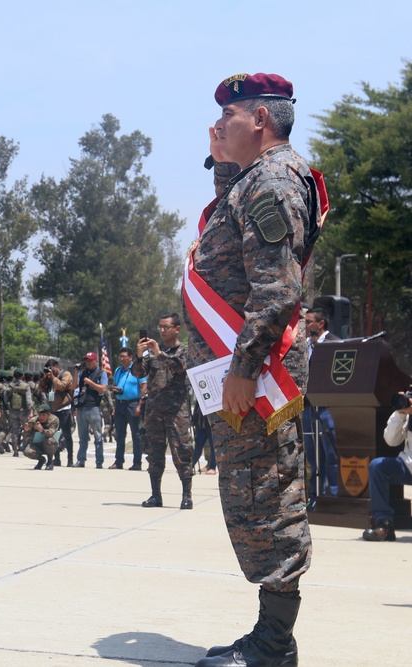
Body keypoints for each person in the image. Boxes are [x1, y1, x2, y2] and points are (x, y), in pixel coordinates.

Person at [186, 73, 324, 666]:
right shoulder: (251, 181)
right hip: (245, 372)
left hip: (259, 377)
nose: (220, 127)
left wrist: (244, 368)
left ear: (261, 120)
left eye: (231, 117)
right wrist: (221, 160)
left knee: (268, 495)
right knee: (251, 494)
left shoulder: (271, 182)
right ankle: (271, 638)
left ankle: (273, 646)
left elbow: (275, 290)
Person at [134, 314, 194, 509]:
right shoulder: (150, 353)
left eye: (166, 327)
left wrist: (159, 353)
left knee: (182, 452)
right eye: (160, 327)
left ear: (177, 329)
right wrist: (138, 356)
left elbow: (180, 367)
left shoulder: (183, 350)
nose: (162, 331)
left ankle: (187, 495)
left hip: (177, 411)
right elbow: (138, 373)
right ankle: (155, 495)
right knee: (154, 453)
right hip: (154, 411)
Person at [302, 307, 340, 506]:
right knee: (312, 455)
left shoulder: (334, 343)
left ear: (320, 323)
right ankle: (315, 497)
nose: (305, 326)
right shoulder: (303, 345)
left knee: (330, 454)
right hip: (307, 407)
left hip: (327, 408)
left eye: (308, 322)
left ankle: (334, 495)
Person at [361, 401, 412, 541]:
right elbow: (391, 440)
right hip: (408, 465)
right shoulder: (407, 413)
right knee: (378, 467)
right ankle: (384, 524)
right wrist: (400, 413)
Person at [110, 347, 145, 470]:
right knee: (119, 434)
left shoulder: (137, 370)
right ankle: (118, 461)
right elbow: (115, 385)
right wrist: (114, 404)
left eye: (125, 356)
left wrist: (140, 405)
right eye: (121, 356)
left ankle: (137, 462)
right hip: (120, 404)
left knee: (136, 435)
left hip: (132, 404)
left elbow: (143, 387)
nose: (122, 359)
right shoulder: (118, 370)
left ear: (131, 357)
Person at [74, 352, 109, 468]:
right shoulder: (82, 373)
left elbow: (103, 389)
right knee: (82, 437)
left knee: (98, 436)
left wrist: (90, 383)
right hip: (81, 407)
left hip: (94, 407)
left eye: (90, 361)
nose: (88, 363)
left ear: (96, 361)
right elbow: (74, 386)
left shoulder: (101, 373)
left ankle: (99, 461)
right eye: (87, 361)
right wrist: (76, 372)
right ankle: (81, 460)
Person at [39, 360, 74, 466]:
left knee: (67, 435)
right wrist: (44, 378)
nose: (50, 371)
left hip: (64, 409)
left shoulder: (66, 374)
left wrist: (53, 377)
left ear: (56, 367)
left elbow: (62, 386)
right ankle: (57, 458)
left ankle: (70, 459)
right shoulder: (49, 378)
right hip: (53, 410)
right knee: (54, 436)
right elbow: (41, 389)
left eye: (51, 368)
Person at [22, 404, 60, 470]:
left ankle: (50, 461)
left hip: (50, 444)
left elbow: (51, 433)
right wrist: (26, 431)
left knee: (49, 441)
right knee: (28, 452)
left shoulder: (54, 420)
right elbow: (25, 437)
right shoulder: (33, 421)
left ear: (49, 414)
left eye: (43, 415)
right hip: (37, 444)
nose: (41, 417)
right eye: (40, 415)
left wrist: (42, 430)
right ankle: (41, 460)